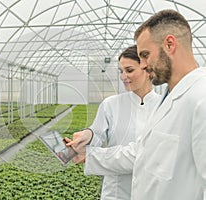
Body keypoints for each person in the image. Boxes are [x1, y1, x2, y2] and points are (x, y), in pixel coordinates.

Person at [66, 9, 206, 200]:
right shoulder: (169, 98)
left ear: (170, 44)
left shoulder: (201, 98)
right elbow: (140, 153)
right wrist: (88, 153)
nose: (144, 65)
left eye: (146, 55)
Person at [65, 45, 161, 200]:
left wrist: (89, 156)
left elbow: (149, 154)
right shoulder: (111, 104)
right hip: (116, 192)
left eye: (129, 70)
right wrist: (88, 135)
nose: (123, 77)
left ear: (147, 70)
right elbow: (97, 135)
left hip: (152, 191)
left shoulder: (163, 106)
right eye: (121, 71)